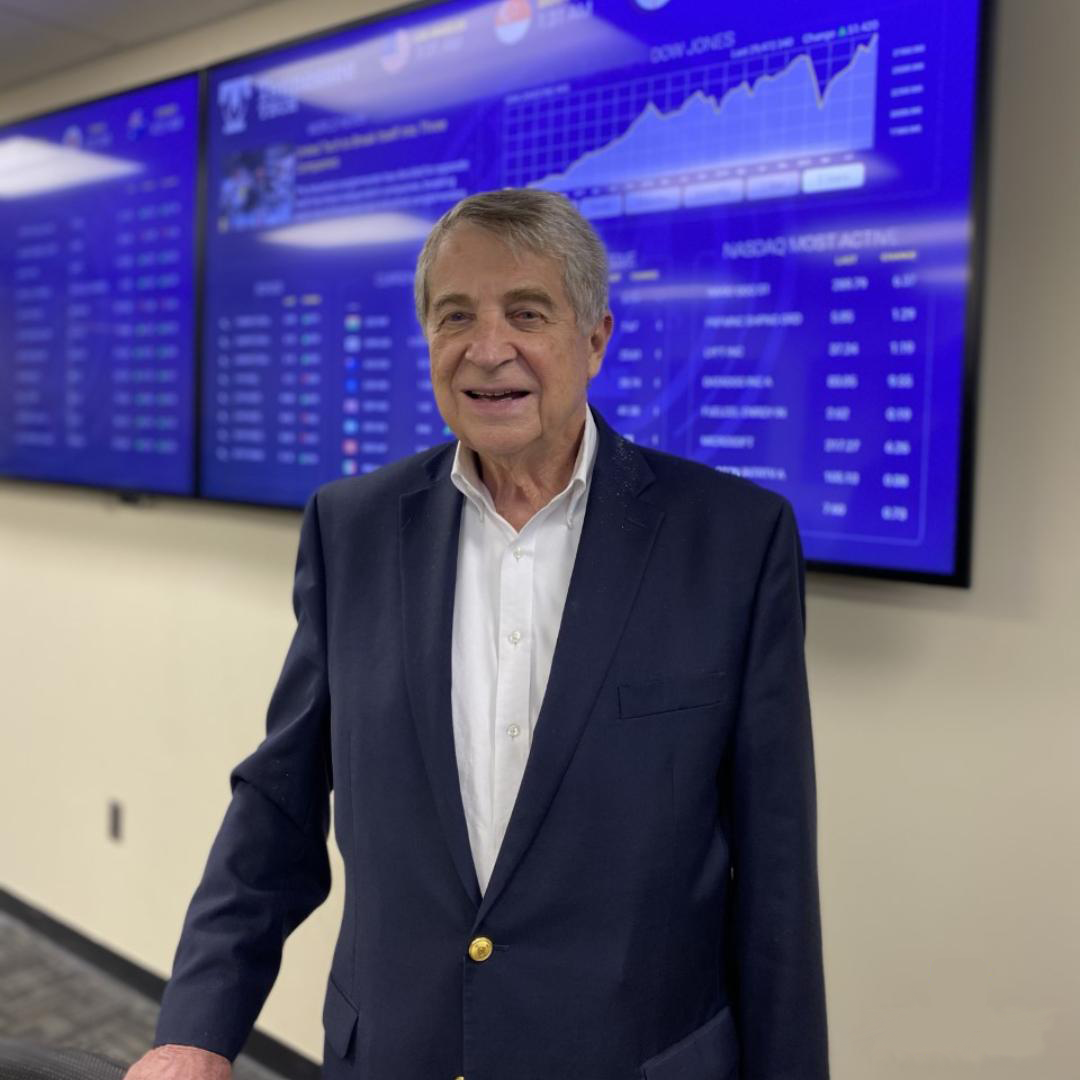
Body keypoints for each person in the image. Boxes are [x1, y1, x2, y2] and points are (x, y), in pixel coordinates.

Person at [126, 189, 828, 1080]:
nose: (487, 349)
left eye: (526, 313)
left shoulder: (733, 540)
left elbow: (776, 879)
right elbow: (281, 803)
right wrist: (195, 1029)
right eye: (455, 316)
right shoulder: (353, 530)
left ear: (596, 339)